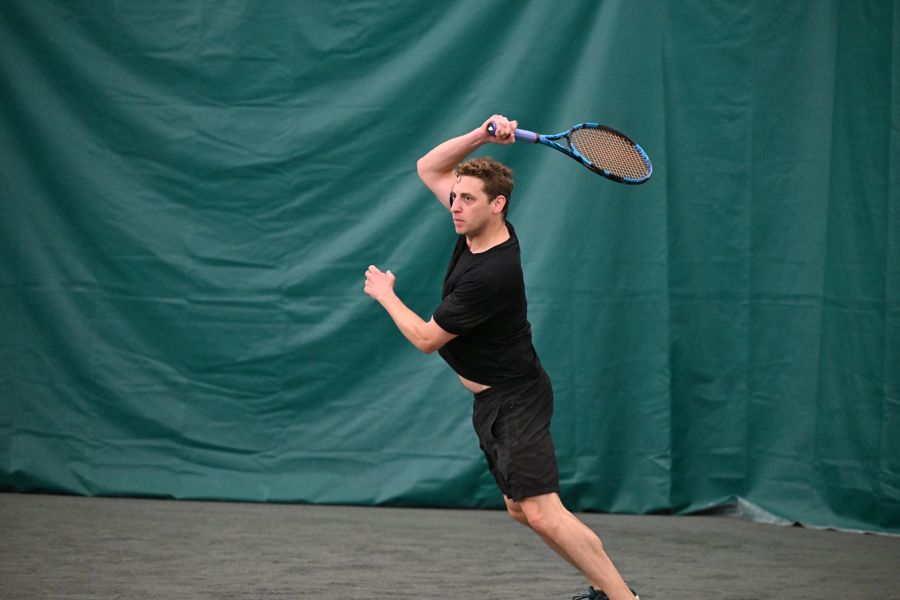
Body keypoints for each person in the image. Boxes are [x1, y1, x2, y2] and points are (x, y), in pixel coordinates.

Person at [363, 115, 639, 600]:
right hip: (493, 402)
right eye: (455, 197)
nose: (455, 205)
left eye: (467, 198)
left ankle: (623, 598)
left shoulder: (490, 274)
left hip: (516, 399)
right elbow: (429, 167)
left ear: (498, 205)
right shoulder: (478, 229)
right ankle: (606, 589)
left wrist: (386, 294)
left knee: (542, 512)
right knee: (521, 509)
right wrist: (480, 135)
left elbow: (426, 339)